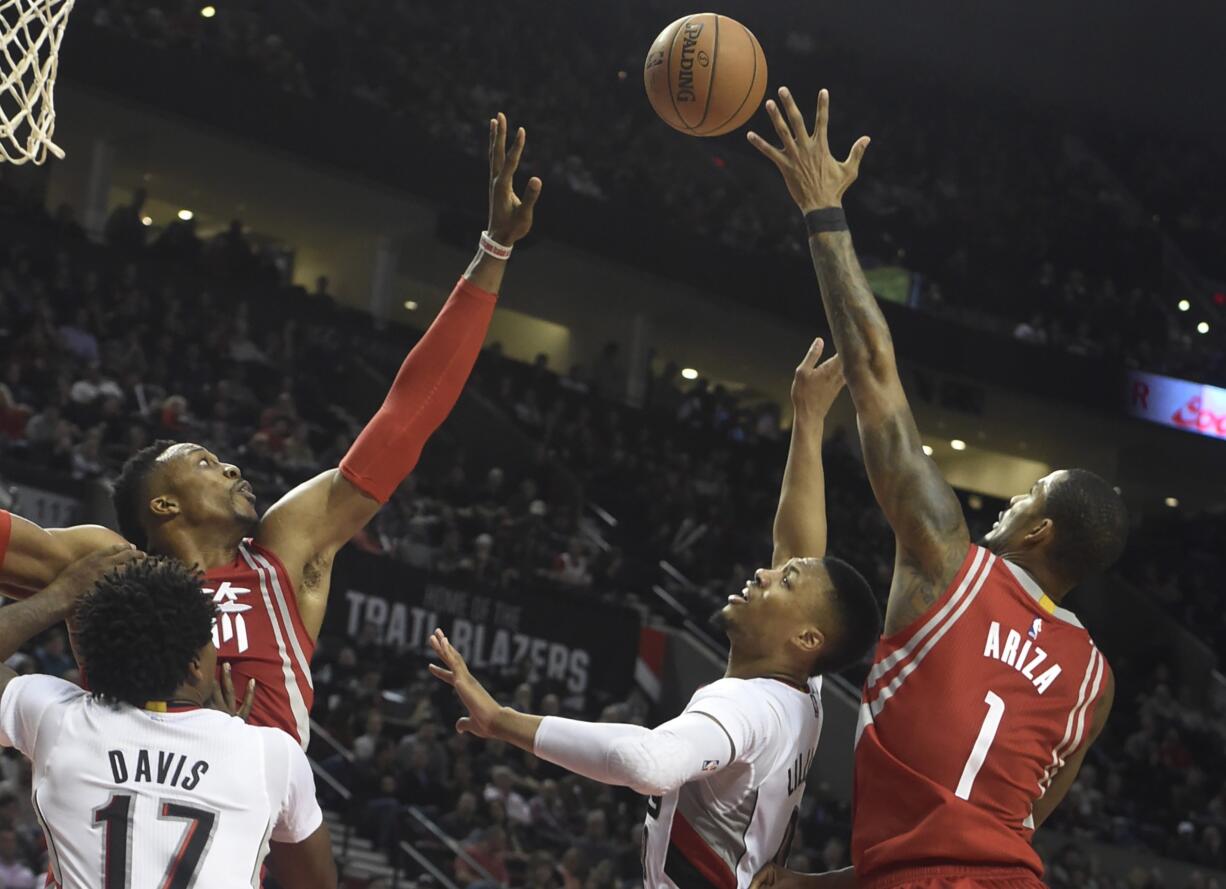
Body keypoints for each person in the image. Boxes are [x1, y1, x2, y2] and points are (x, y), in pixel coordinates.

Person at [0, 112, 542, 747]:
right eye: (202, 462)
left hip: (243, 836)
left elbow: (407, 415)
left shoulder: (282, 556)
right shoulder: (105, 568)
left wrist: (494, 251)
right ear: (163, 502)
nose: (231, 467)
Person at [746, 88, 1127, 889]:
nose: (1009, 504)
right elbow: (990, 834)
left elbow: (876, 372)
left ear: (1040, 533)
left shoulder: (948, 560)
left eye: (1026, 498)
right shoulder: (1093, 680)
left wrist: (822, 213)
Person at [429, 340, 882, 887]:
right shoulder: (802, 693)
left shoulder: (744, 705)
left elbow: (650, 763)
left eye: (783, 582)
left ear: (807, 638)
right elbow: (798, 551)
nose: (764, 573)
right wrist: (808, 421)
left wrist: (502, 720)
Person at [0, 547, 336, 888]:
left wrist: (59, 597)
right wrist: (230, 734)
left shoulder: (58, 719)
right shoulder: (268, 752)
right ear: (194, 668)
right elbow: (316, 883)